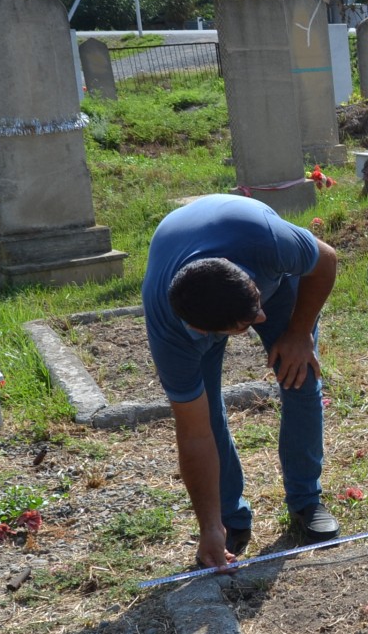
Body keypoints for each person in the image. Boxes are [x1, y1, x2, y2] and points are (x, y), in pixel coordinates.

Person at [142, 194, 340, 569]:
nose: (263, 318)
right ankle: (228, 519)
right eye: (248, 324)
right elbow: (194, 433)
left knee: (299, 376)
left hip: (258, 260)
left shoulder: (267, 241)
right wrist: (207, 527)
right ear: (205, 331)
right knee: (207, 411)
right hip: (197, 292)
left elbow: (326, 260)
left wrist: (299, 332)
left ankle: (306, 500)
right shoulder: (173, 334)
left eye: (257, 305)